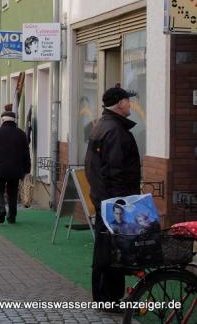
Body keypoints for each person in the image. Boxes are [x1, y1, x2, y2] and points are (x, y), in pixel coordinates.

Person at [84, 86, 140, 305]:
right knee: (113, 253)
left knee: (105, 249)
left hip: (105, 199)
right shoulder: (115, 130)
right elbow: (115, 171)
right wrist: (121, 205)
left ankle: (104, 296)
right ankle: (109, 298)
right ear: (120, 104)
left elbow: (93, 168)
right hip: (114, 202)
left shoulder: (103, 126)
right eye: (128, 100)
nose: (130, 104)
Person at [0, 110, 31, 224]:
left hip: (0, 169)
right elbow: (26, 153)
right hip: (15, 170)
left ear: (2, 120)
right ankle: (12, 216)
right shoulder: (21, 133)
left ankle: (1, 209)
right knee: (12, 192)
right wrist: (26, 170)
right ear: (14, 120)